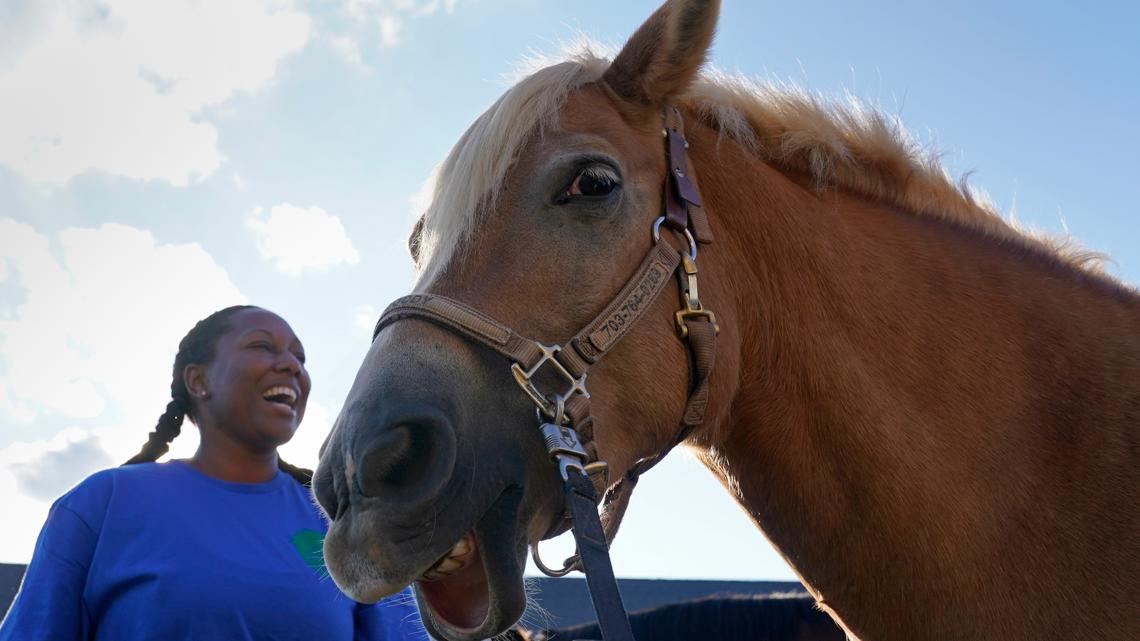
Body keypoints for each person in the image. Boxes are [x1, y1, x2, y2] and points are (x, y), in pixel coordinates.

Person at [0, 305, 426, 640]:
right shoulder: (102, 504)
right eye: (262, 346)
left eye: (300, 356)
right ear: (198, 380)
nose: (292, 365)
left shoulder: (343, 527)